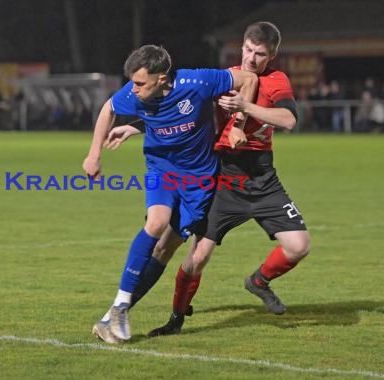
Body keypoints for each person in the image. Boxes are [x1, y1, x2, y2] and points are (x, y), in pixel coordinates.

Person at [106, 22, 311, 337]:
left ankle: (259, 281)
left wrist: (245, 107)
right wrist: (135, 127)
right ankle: (174, 318)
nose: (252, 58)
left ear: (272, 55)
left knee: (299, 246)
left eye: (260, 54)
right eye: (248, 50)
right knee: (196, 255)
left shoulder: (276, 81)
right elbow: (185, 119)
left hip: (261, 175)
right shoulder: (225, 79)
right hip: (222, 176)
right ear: (241, 46)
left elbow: (289, 120)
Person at [82, 44, 258, 343]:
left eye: (140, 83)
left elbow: (249, 80)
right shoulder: (134, 93)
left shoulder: (198, 82)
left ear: (162, 78)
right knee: (156, 222)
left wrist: (238, 123)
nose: (133, 89)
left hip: (200, 180)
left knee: (165, 250)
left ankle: (110, 316)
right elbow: (109, 109)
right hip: (160, 169)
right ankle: (122, 304)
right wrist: (94, 154)